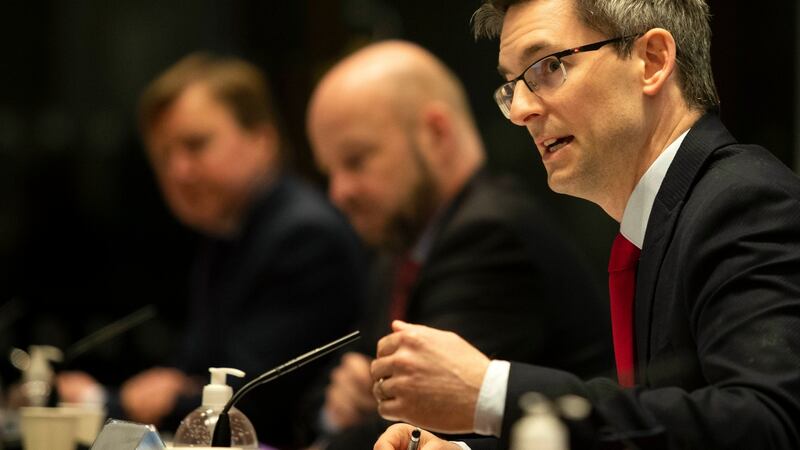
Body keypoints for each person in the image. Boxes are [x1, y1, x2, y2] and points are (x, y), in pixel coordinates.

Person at [371, 1, 800, 449]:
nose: (519, 110)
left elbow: (769, 425)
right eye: (511, 85)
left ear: (651, 61)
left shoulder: (744, 203)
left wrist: (494, 393)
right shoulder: (662, 224)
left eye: (549, 66)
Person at [304, 40, 611, 450]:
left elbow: (425, 423)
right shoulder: (400, 245)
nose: (338, 193)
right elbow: (326, 391)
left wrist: (353, 421)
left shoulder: (491, 234)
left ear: (436, 132)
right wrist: (336, 407)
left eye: (356, 160)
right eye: (329, 171)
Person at [57, 52, 365, 449]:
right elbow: (192, 370)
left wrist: (100, 401)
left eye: (195, 144)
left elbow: (245, 399)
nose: (178, 171)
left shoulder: (303, 235)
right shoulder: (228, 233)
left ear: (262, 139)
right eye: (164, 155)